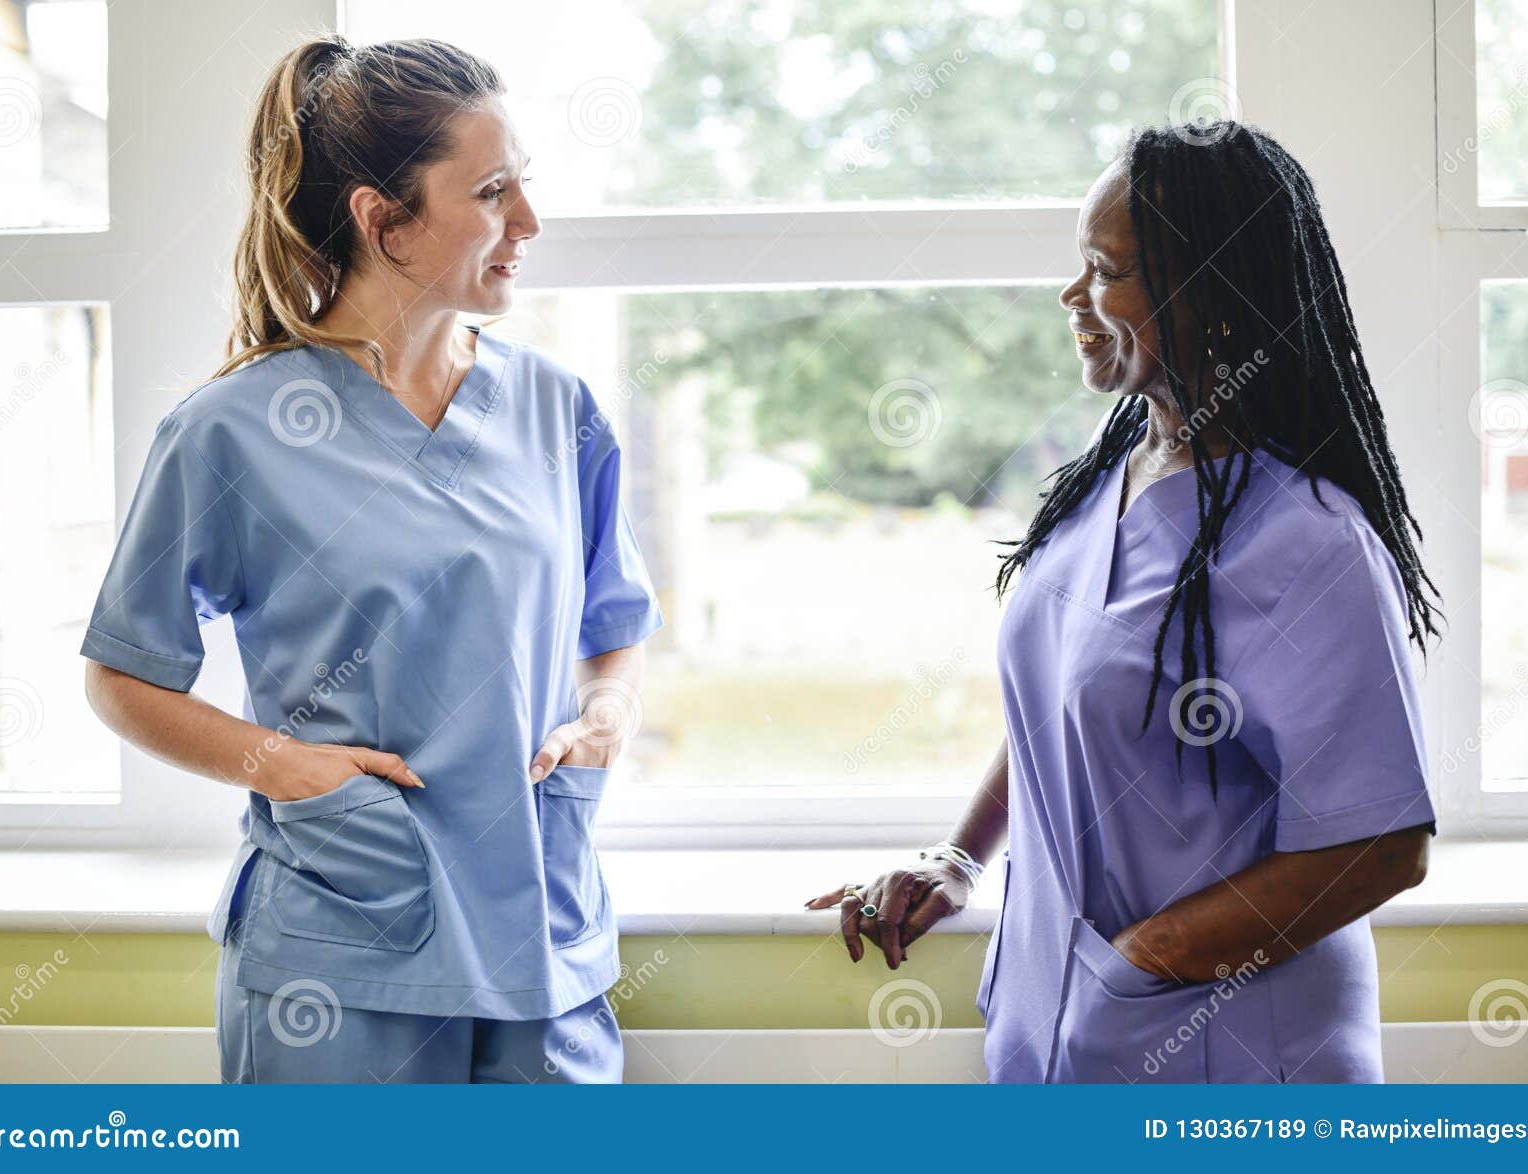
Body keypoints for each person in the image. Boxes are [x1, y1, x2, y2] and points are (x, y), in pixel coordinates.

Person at [80, 35, 663, 1083]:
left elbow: (611, 629)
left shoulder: (555, 408)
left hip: (544, 940)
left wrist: (608, 716)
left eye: (522, 183)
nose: (527, 220)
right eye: (491, 191)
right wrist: (284, 767)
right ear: (381, 217)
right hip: (341, 958)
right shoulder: (232, 432)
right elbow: (123, 674)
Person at [808, 122, 1440, 1084]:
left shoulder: (1308, 544)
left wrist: (1148, 960)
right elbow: (1062, 710)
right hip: (1063, 1034)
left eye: (1107, 270)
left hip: (1231, 1062)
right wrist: (961, 857)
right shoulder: (1115, 475)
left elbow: (1382, 847)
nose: (1074, 296)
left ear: (1213, 298)